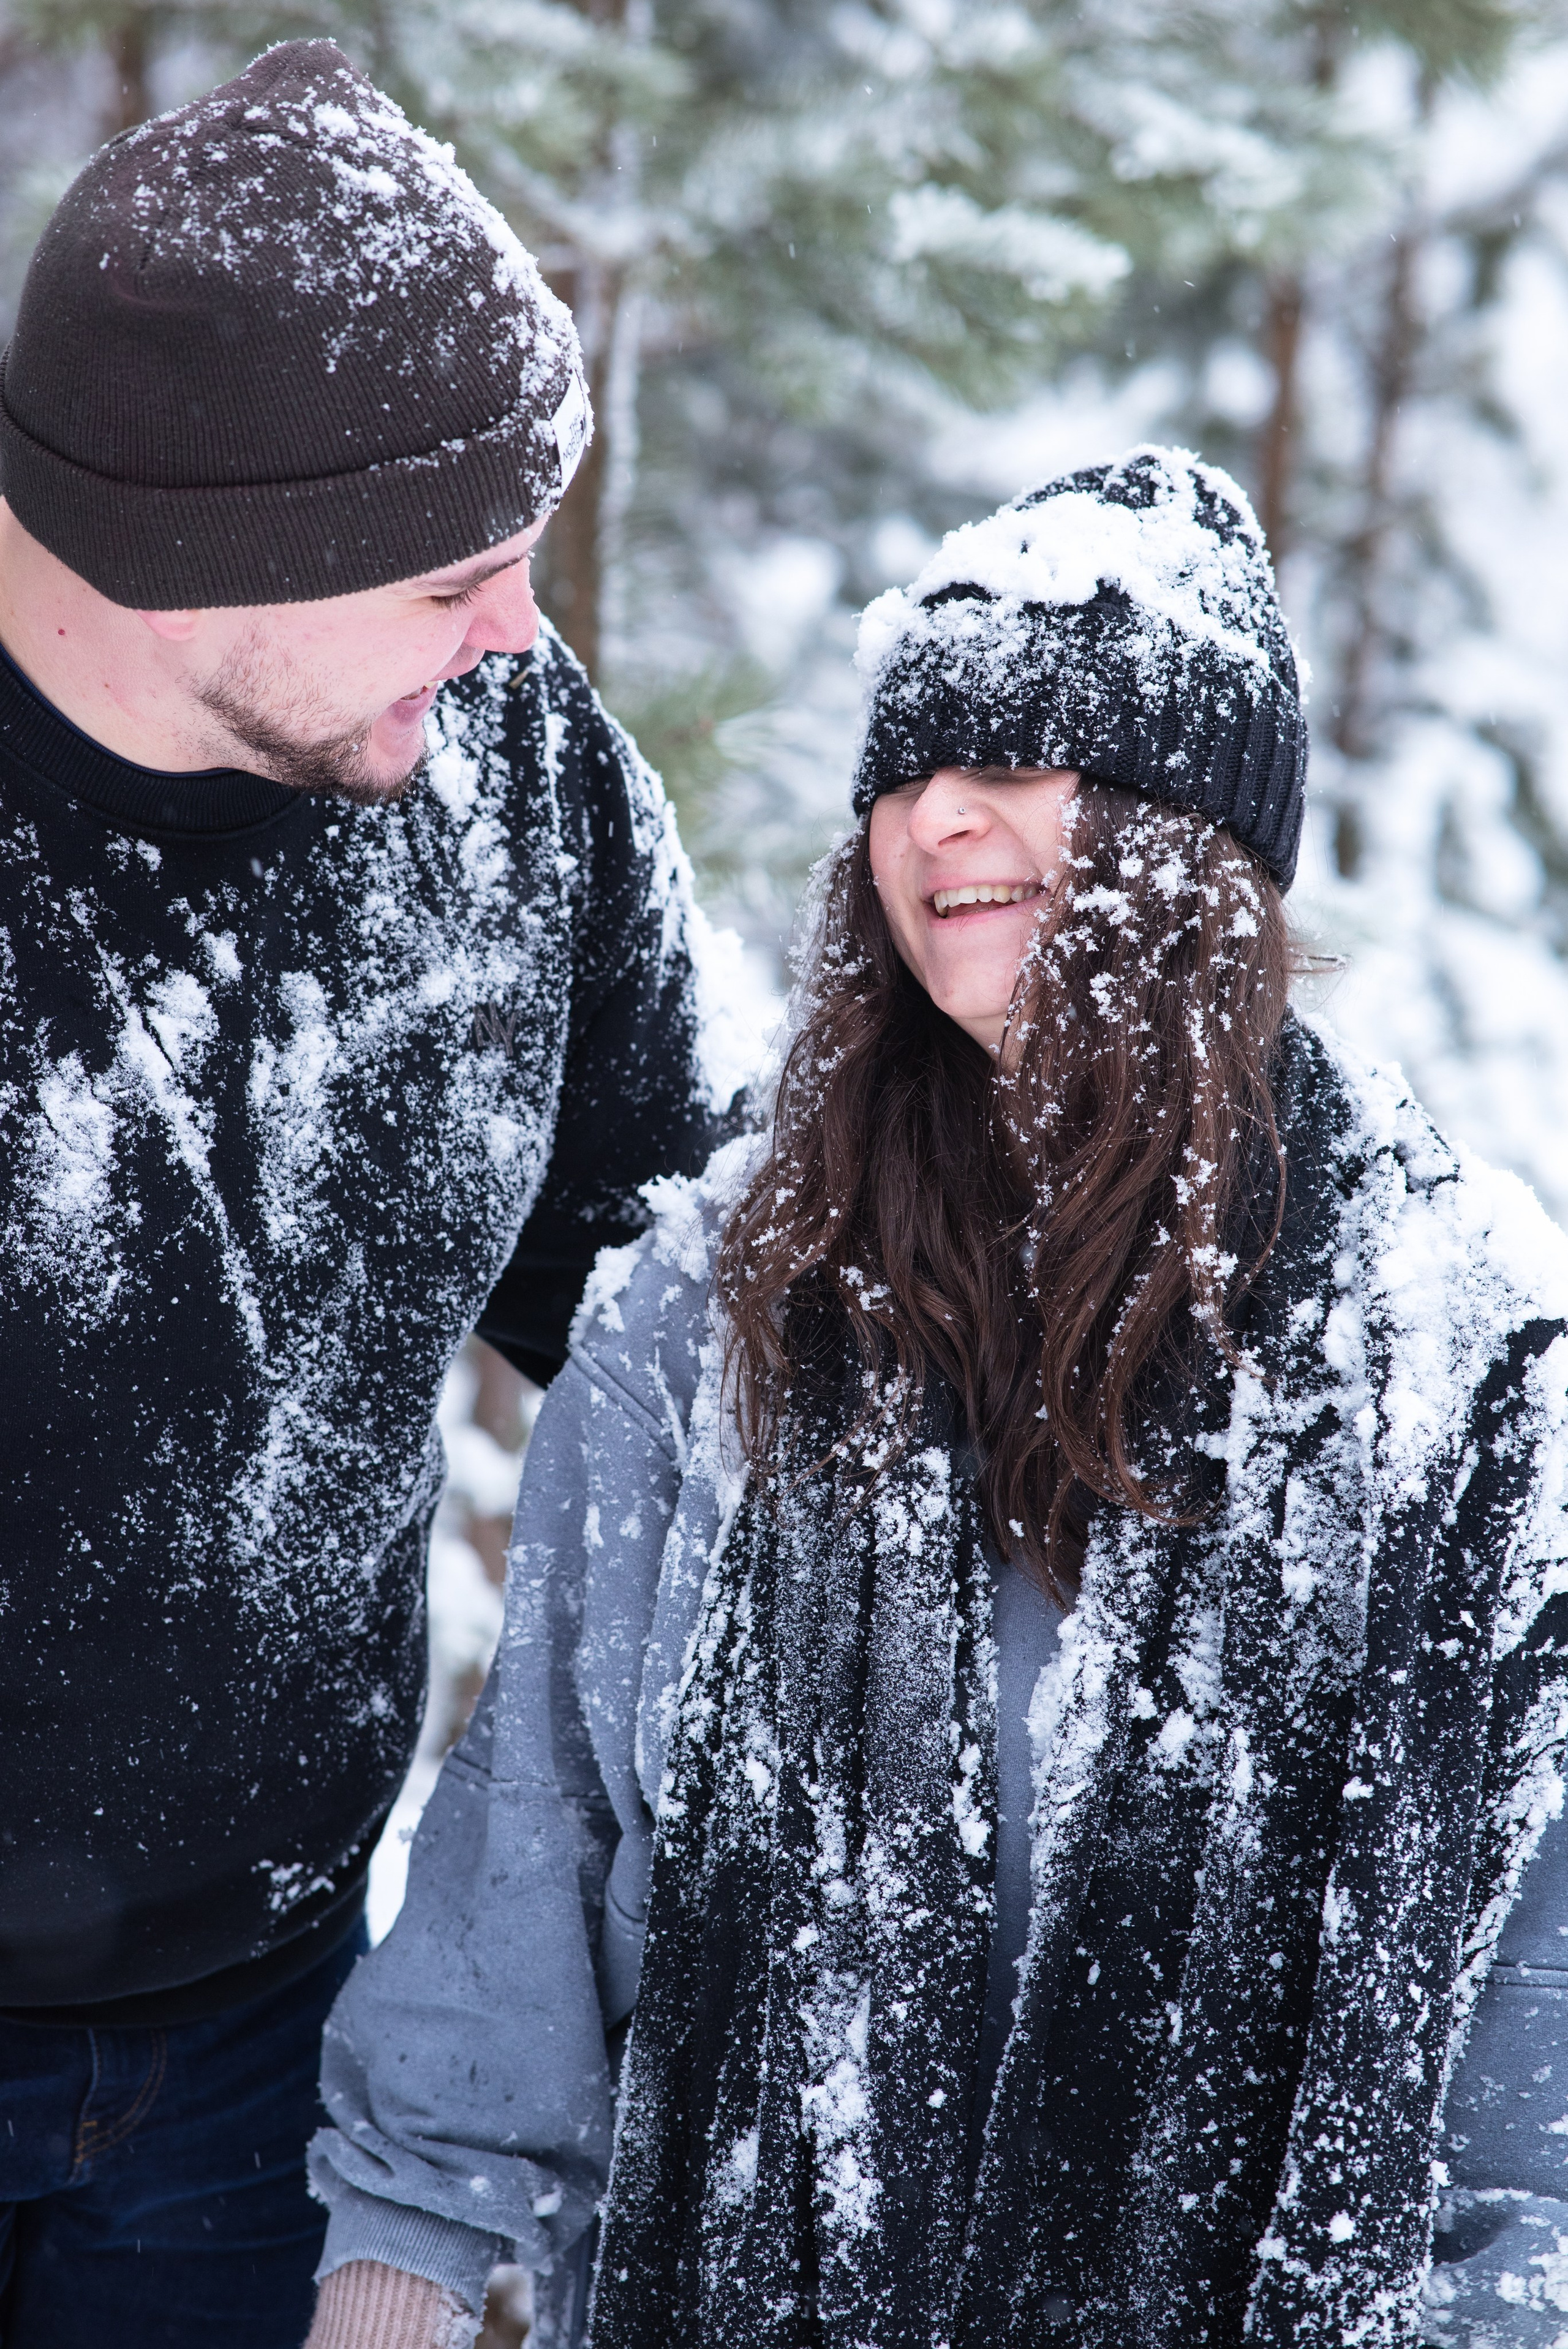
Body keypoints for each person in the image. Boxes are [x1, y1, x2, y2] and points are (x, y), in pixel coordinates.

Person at [305, 450, 1568, 2348]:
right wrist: (392, 2274)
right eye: (907, 764)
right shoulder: (724, 1299)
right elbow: (532, 1849)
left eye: (1025, 754)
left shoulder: (1447, 1356)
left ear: (1189, 817)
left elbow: (1528, 2035)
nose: (938, 814)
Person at [0, 39, 734, 2349]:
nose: (519, 628)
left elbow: (689, 1288)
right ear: (200, 561)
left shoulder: (499, 766)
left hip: (265, 2041)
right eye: (456, 575)